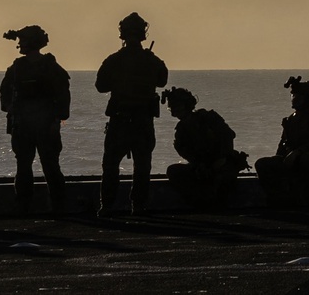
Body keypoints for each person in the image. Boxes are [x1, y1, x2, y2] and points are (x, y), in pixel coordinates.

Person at [95, 11, 168, 216]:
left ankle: (107, 206)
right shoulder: (153, 61)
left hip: (119, 120)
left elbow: (101, 86)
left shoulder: (113, 60)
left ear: (123, 34)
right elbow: (162, 81)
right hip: (143, 121)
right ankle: (139, 206)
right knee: (142, 165)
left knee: (110, 165)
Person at [0, 25, 69, 219]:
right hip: (35, 125)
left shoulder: (18, 68)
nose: (20, 44)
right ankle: (56, 207)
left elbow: (4, 98)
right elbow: (64, 97)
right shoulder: (48, 68)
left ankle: (27, 206)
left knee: (32, 166)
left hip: (34, 126)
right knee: (43, 166)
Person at [255, 77, 309, 207]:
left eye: (298, 96)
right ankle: (278, 199)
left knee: (305, 161)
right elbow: (284, 142)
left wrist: (298, 153)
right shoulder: (291, 119)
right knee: (262, 164)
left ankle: (308, 199)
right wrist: (281, 158)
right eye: (293, 95)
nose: (294, 98)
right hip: (291, 158)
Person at [162, 86, 248, 209]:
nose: (174, 111)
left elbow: (228, 136)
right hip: (202, 166)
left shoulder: (208, 118)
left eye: (177, 107)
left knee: (222, 179)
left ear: (187, 105)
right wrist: (199, 165)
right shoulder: (181, 131)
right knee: (174, 171)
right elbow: (186, 152)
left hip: (222, 162)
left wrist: (221, 158)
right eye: (172, 108)